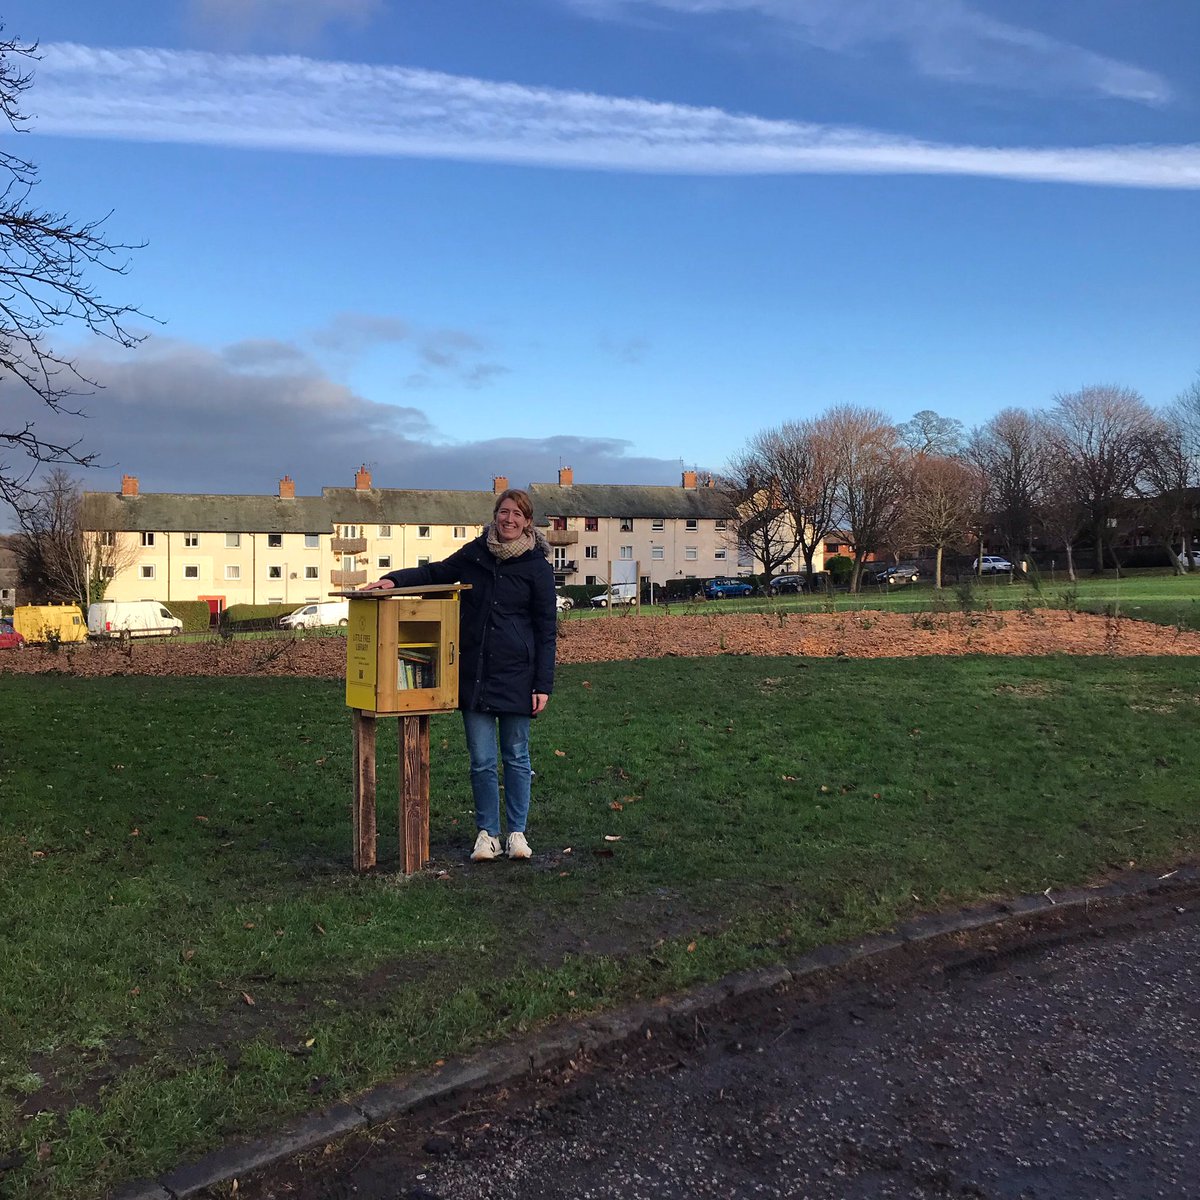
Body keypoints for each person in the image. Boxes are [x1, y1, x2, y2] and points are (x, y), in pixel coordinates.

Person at [358, 489, 557, 862]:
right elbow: (434, 572)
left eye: (517, 514)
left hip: (518, 675)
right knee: (481, 759)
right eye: (503, 512)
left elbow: (547, 629)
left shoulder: (537, 567)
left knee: (516, 756)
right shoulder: (475, 554)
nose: (508, 519)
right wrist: (393, 581)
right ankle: (487, 834)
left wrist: (542, 684)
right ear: (494, 516)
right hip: (475, 675)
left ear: (528, 522)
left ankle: (516, 833)